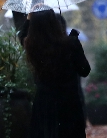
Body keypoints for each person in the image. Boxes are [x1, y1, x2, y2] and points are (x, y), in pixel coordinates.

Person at [23, 9, 91, 138]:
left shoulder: (32, 46)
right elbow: (85, 70)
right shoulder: (70, 44)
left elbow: (22, 35)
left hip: (44, 104)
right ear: (55, 23)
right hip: (68, 104)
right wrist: (75, 46)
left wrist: (28, 19)